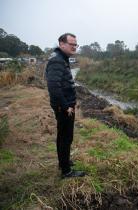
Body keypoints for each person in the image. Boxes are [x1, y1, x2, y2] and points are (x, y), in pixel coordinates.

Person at [45, 33, 85, 178]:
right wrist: (66, 105)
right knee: (66, 137)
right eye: (71, 44)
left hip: (65, 105)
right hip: (64, 107)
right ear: (62, 44)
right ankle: (66, 171)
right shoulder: (57, 61)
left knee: (64, 136)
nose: (74, 47)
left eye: (76, 44)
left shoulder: (61, 58)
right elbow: (53, 86)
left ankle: (64, 163)